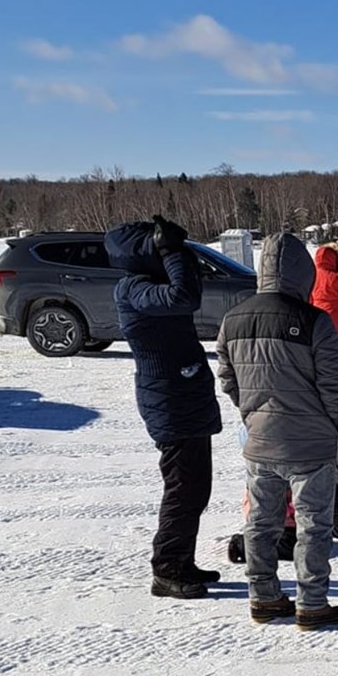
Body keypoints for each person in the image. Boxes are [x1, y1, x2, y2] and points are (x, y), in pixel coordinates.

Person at [215, 233, 338, 628]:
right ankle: (311, 602)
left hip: (260, 442)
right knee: (313, 525)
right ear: (303, 273)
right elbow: (333, 388)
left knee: (260, 523)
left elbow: (228, 378)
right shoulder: (315, 321)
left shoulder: (233, 318)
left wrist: (252, 414)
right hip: (311, 446)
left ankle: (263, 596)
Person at [108, 215, 223, 599]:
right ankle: (168, 568)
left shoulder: (147, 284)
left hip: (182, 394)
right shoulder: (134, 289)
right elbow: (184, 297)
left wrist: (177, 253)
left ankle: (182, 560)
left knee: (195, 488)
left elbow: (189, 286)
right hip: (170, 399)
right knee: (183, 488)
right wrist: (170, 251)